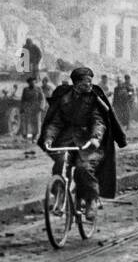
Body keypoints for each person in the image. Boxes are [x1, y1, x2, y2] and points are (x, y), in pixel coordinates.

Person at [38, 66, 126, 225]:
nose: (90, 85)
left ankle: (91, 200)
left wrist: (96, 138)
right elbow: (55, 123)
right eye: (87, 82)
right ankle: (59, 195)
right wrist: (49, 139)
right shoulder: (65, 99)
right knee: (61, 162)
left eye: (91, 82)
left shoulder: (93, 99)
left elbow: (98, 121)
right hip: (67, 140)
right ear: (77, 83)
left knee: (83, 168)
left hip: (88, 142)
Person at [20, 76, 44, 148]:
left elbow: (42, 99)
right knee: (27, 123)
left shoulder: (38, 89)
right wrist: (22, 108)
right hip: (28, 108)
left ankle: (35, 138)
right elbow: (23, 100)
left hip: (36, 108)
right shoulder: (25, 89)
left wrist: (41, 107)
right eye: (30, 82)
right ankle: (27, 137)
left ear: (35, 82)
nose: (32, 83)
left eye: (33, 82)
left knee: (36, 123)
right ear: (28, 83)